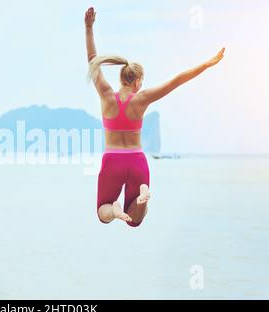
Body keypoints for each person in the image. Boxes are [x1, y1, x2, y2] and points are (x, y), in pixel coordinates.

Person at [84, 7, 225, 227]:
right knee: (136, 220)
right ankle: (142, 198)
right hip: (136, 161)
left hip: (112, 160)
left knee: (103, 213)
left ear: (122, 79)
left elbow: (93, 61)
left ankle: (114, 210)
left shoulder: (106, 95)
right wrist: (206, 65)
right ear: (138, 81)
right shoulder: (142, 99)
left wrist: (89, 28)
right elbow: (176, 81)